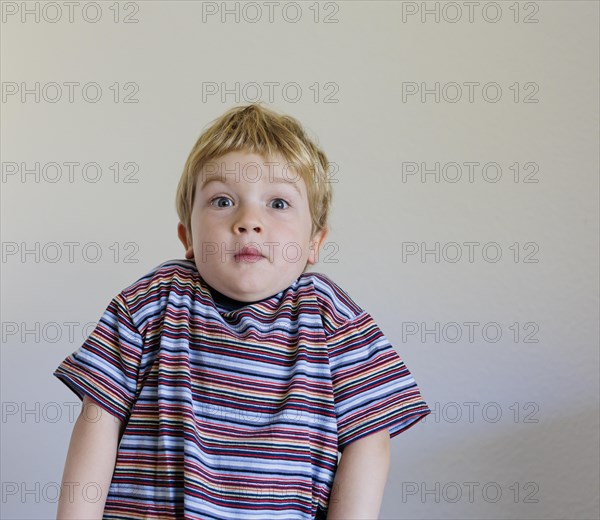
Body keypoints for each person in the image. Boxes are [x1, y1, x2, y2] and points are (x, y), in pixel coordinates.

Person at [54, 103, 431, 520]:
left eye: (279, 204)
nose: (249, 220)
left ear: (314, 241)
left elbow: (370, 439)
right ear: (188, 235)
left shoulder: (334, 319)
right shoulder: (149, 302)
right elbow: (97, 418)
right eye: (222, 200)